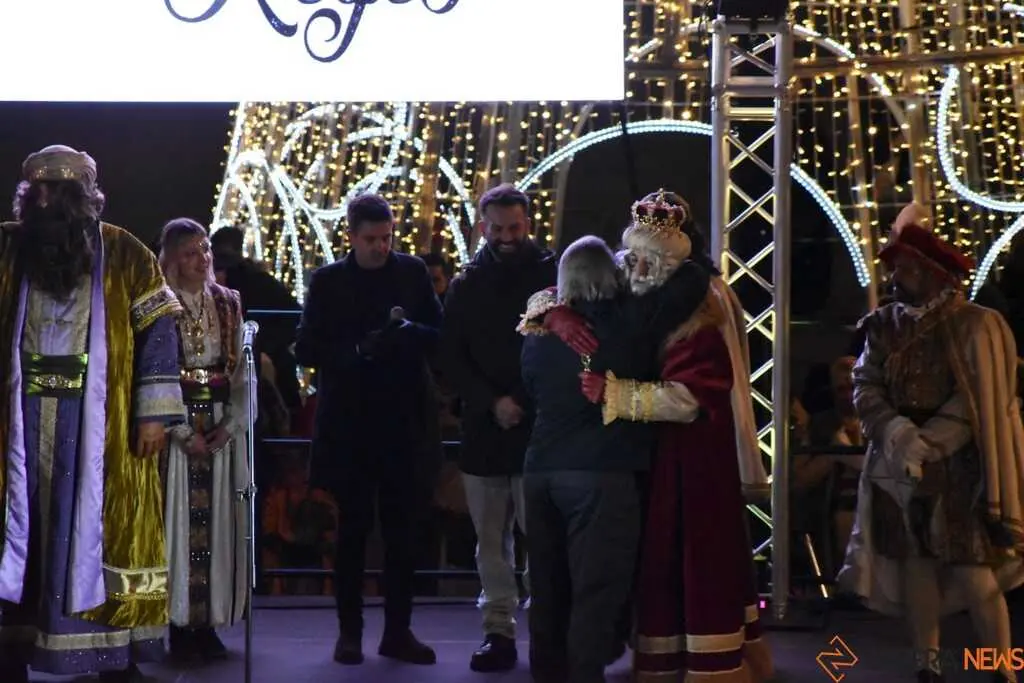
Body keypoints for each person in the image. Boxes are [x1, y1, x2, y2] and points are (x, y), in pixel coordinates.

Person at [524, 191, 773, 683]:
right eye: (628, 258)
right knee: (601, 577)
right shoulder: (629, 307)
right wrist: (552, 308)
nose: (632, 268)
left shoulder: (698, 308)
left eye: (643, 260)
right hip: (632, 462)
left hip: (687, 460)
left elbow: (694, 397)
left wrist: (618, 394)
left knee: (603, 576)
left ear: (667, 264)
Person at [0, 145, 186, 683]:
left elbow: (157, 333)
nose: (47, 202)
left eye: (59, 193)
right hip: (18, 417)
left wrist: (154, 413)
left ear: (83, 198)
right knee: (23, 533)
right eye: (38, 192)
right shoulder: (10, 248)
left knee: (99, 527)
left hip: (101, 423)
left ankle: (110, 652)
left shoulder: (124, 252)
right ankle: (12, 645)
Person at [838, 203, 1024, 683]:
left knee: (973, 570)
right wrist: (897, 434)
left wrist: (932, 441)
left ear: (931, 272)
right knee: (914, 564)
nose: (896, 277)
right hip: (897, 463)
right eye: (894, 268)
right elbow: (866, 384)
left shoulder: (975, 324)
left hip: (960, 467)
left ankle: (1001, 669)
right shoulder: (882, 325)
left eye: (904, 268)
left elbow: (982, 397)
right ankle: (929, 664)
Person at [519, 235, 709, 683]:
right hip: (603, 473)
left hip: (541, 469)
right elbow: (694, 279)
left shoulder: (537, 331)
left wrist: (552, 306)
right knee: (596, 591)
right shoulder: (631, 322)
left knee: (547, 589)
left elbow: (531, 384)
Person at [295, 192, 443, 666]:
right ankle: (351, 632)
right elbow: (305, 347)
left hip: (403, 423)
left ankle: (396, 630)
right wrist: (358, 352)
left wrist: (410, 336)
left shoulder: (412, 272)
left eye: (387, 238)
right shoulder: (329, 281)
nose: (381, 247)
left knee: (402, 536)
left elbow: (439, 334)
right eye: (372, 239)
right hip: (353, 426)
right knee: (353, 533)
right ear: (352, 237)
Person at [440, 183, 557, 670]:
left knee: (545, 540)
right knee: (491, 543)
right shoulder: (466, 286)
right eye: (498, 229)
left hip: (538, 431)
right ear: (482, 228)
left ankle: (548, 631)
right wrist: (493, 402)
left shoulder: (554, 276)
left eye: (514, 227)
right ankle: (499, 632)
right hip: (488, 433)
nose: (507, 237)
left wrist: (517, 401)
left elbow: (567, 351)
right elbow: (451, 357)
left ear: (527, 223)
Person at [157, 218, 253, 662]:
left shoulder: (228, 303)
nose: (203, 259)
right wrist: (178, 431)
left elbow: (241, 375)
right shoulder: (157, 304)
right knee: (177, 524)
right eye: (192, 252)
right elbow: (151, 372)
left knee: (219, 523)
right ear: (174, 257)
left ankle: (210, 621)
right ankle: (178, 623)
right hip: (177, 428)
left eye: (206, 250)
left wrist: (230, 426)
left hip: (217, 424)